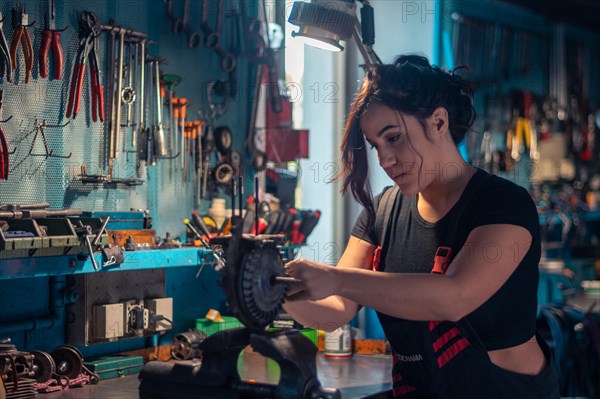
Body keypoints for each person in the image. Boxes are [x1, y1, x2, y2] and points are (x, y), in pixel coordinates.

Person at [283, 54, 560, 398]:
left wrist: (336, 278)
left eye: (394, 138)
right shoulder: (381, 210)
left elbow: (454, 298)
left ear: (439, 122)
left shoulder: (504, 204)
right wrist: (273, 291)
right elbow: (335, 311)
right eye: (376, 145)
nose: (384, 159)